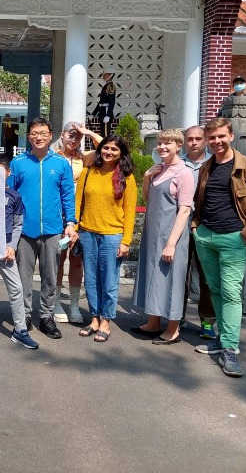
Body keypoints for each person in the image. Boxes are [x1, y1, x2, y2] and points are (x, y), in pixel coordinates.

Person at [192, 118, 246, 378]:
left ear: (231, 135)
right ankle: (221, 337)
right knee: (215, 289)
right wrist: (196, 228)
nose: (216, 142)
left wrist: (245, 235)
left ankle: (230, 348)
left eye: (221, 137)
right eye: (212, 138)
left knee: (230, 293)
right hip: (206, 237)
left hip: (233, 239)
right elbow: (200, 200)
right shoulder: (207, 166)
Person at [8, 116, 77, 340]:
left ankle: (46, 317)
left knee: (50, 276)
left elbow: (68, 196)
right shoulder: (18, 163)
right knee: (24, 278)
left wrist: (70, 223)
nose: (39, 137)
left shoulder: (60, 164)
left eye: (44, 133)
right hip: (24, 231)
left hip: (52, 229)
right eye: (35, 134)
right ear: (28, 136)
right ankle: (25, 315)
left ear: (50, 136)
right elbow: (9, 197)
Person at [131, 129, 195, 345]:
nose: (162, 147)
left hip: (171, 235)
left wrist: (171, 244)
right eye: (160, 143)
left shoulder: (184, 173)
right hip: (153, 233)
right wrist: (147, 177)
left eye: (168, 143)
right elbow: (149, 198)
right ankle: (153, 321)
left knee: (172, 280)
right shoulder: (160, 169)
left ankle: (173, 328)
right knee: (154, 276)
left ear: (179, 146)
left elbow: (185, 210)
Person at [75, 135, 137, 343]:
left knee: (109, 280)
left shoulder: (127, 177)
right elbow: (78, 203)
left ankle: (106, 321)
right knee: (91, 279)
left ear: (121, 154)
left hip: (112, 235)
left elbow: (130, 213)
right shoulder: (88, 172)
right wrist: (75, 228)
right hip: (87, 233)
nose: (109, 152)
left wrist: (126, 240)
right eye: (106, 148)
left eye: (114, 149)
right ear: (100, 149)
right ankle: (94, 318)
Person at [0, 156, 39, 349]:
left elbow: (18, 224)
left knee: (16, 288)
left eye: (1, 170)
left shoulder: (14, 196)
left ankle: (20, 329)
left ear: (9, 173)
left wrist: (12, 246)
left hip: (5, 247)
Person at [51, 121, 102, 325]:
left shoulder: (85, 158)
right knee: (58, 258)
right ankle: (55, 302)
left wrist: (87, 132)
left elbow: (105, 146)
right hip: (58, 213)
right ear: (62, 135)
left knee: (77, 259)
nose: (74, 139)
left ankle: (73, 303)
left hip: (81, 215)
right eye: (70, 135)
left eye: (77, 136)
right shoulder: (53, 156)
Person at [178, 126, 216, 339]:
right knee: (179, 273)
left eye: (198, 139)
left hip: (204, 225)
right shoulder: (177, 163)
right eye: (190, 139)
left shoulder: (214, 164)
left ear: (205, 141)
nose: (194, 142)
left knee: (206, 276)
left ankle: (208, 321)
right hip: (180, 225)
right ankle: (177, 315)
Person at [91, 71, 117, 137]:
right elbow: (101, 102)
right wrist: (93, 114)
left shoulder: (110, 86)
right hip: (102, 112)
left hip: (106, 112)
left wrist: (108, 115)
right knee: (103, 133)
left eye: (105, 74)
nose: (103, 76)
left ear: (110, 75)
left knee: (105, 134)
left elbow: (111, 102)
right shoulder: (105, 86)